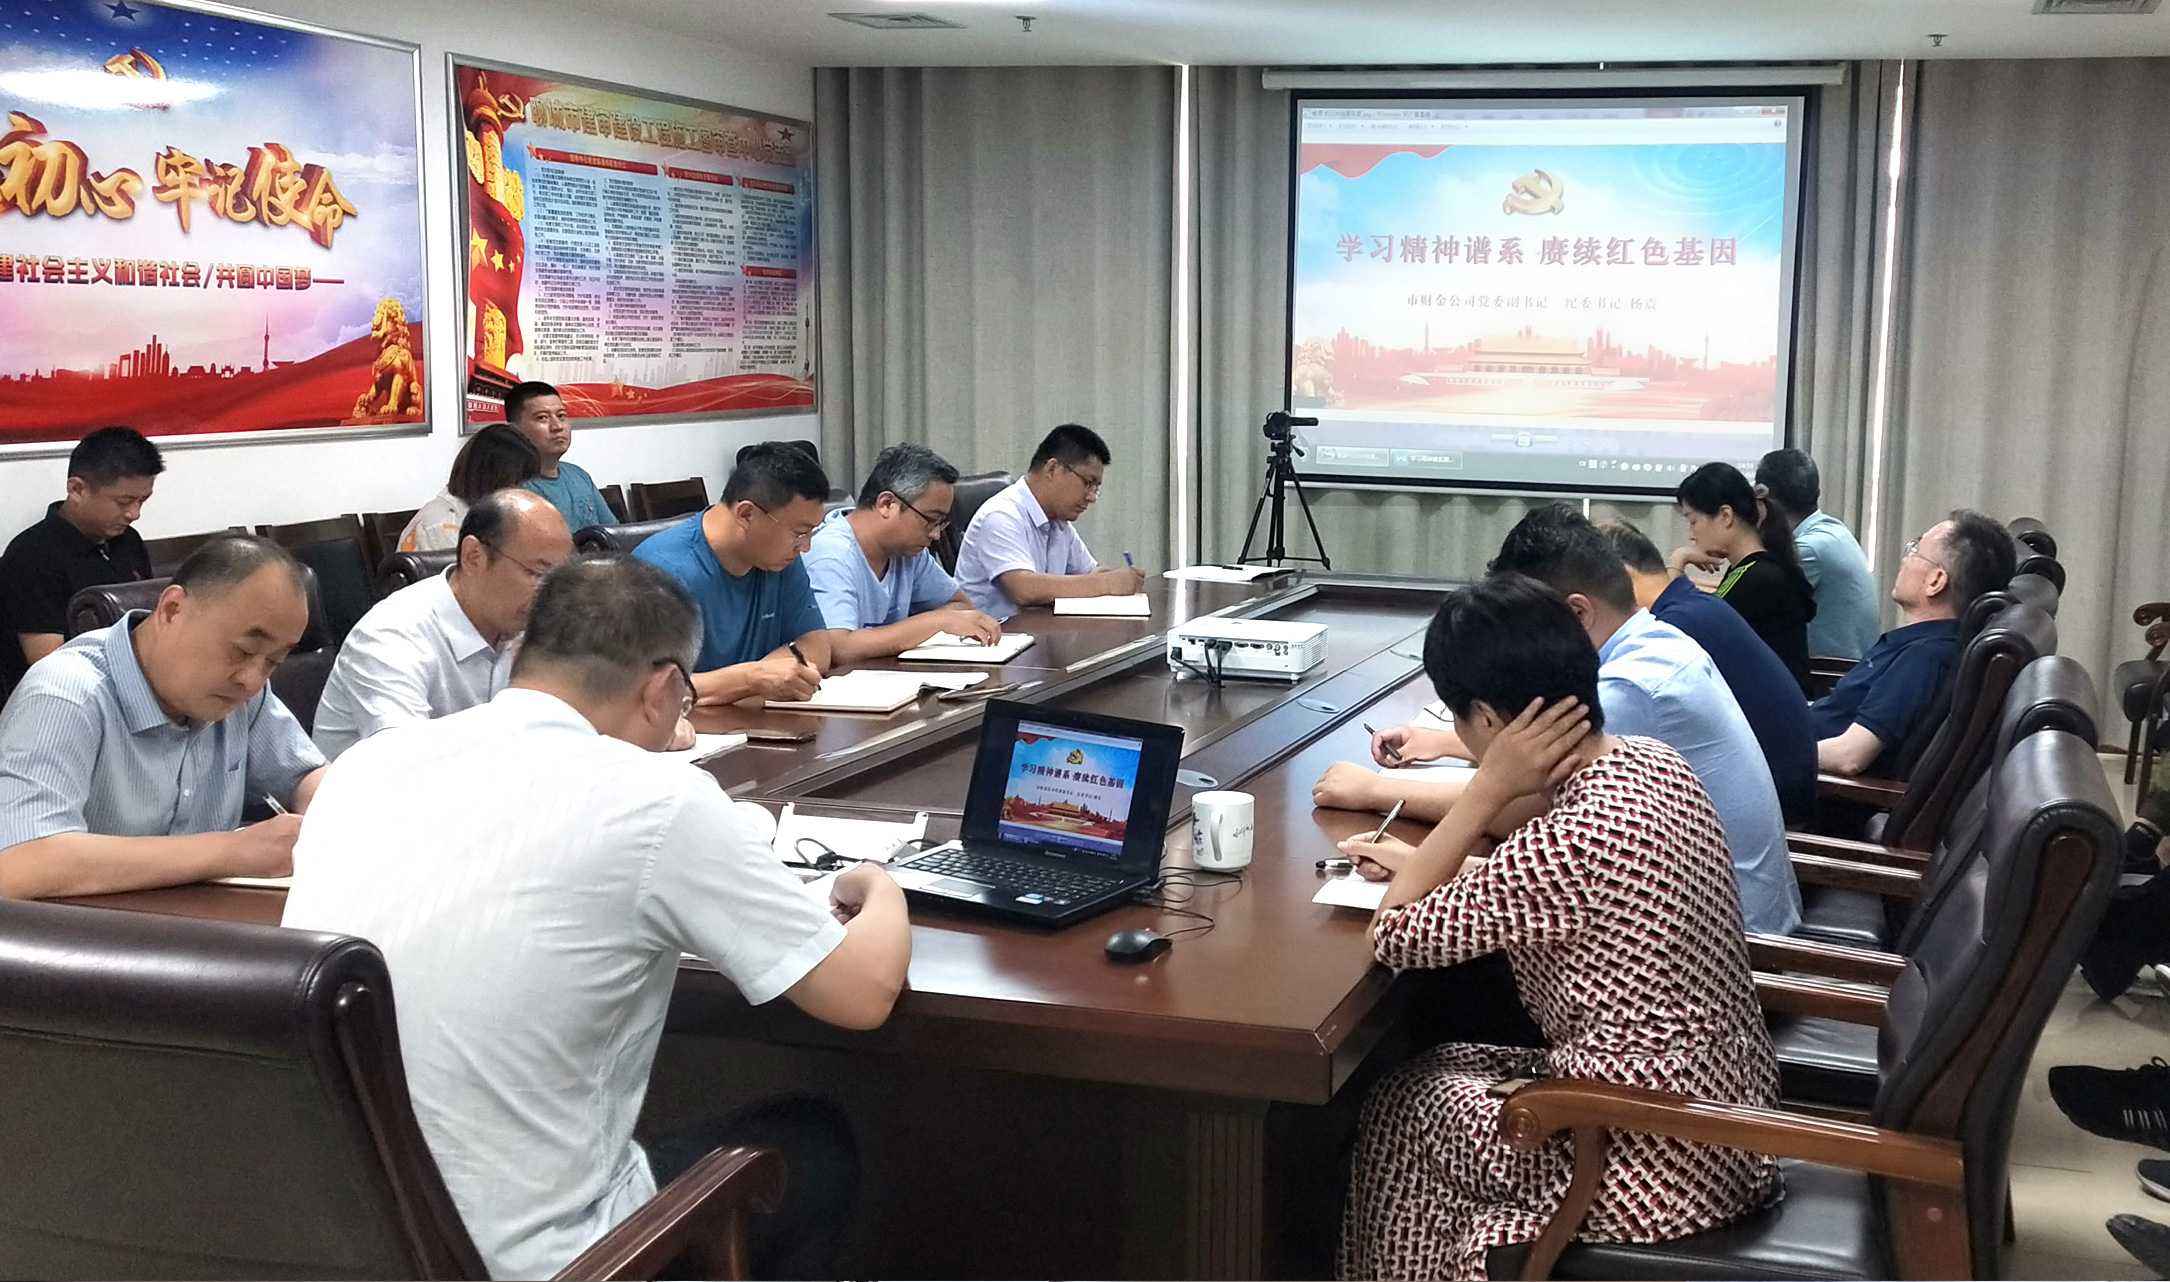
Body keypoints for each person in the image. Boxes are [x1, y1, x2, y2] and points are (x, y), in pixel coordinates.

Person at [282, 555, 911, 1280]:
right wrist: (877, 883)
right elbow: (861, 994)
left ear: (522, 655)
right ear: (665, 689)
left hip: (339, 1243)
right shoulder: (656, 798)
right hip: (547, 1263)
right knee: (817, 1144)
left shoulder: (365, 768)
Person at [1333, 574, 1781, 1280]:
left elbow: (1394, 937)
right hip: (1721, 1116)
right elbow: (1550, 888)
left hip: (1646, 1158)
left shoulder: (1569, 841)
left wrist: (1485, 790)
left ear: (1488, 720)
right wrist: (1420, 860)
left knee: (1404, 1103)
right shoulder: (1651, 764)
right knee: (1435, 1068)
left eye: (1460, 720)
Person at [1318, 504, 1801, 936]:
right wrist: (1446, 748)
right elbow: (1569, 877)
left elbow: (1516, 817)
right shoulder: (1657, 647)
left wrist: (1376, 791)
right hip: (1694, 922)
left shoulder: (1628, 690)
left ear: (1575, 612)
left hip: (1745, 941)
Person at [0, 535, 325, 900]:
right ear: (172, 610)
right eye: (243, 650)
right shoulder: (67, 695)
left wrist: (337, 809)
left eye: (273, 661)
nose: (251, 679)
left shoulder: (244, 694)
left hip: (202, 919)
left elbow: (304, 775)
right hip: (88, 930)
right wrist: (233, 851)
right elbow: (19, 861)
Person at [314, 491, 572, 759]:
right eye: (537, 573)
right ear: (474, 556)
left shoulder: (527, 624)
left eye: (559, 578)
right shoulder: (389, 636)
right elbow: (406, 760)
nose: (549, 594)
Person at [1598, 518, 1816, 821]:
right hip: (1784, 784)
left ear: (1621, 579)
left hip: (1778, 800)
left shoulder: (1669, 631)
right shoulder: (1692, 605)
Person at [1811, 509, 2014, 778]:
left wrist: (1770, 753)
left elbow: (1849, 756)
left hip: (1804, 780)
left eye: (1915, 550)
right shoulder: (1926, 643)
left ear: (1936, 581)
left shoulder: (1923, 659)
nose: (1906, 558)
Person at [633, 441, 833, 705]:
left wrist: (764, 677)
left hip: (752, 718)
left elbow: (817, 645)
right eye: (799, 533)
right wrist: (751, 679)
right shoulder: (663, 571)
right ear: (747, 514)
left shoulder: (779, 559)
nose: (805, 547)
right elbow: (644, 689)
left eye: (810, 533)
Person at [804, 442, 1004, 662]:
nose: (936, 535)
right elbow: (838, 647)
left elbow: (961, 606)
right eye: (930, 520)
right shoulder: (830, 555)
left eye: (941, 523)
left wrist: (922, 627)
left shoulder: (909, 552)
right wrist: (936, 623)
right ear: (887, 504)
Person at [0, 426, 163, 693]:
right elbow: (49, 664)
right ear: (77, 489)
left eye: (142, 501)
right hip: (70, 694)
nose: (134, 514)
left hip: (135, 681)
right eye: (124, 502)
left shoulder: (127, 541)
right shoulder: (32, 556)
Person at [955, 423, 1144, 620]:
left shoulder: (1059, 522)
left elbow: (1089, 574)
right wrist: (1107, 583)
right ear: (1053, 469)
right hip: (995, 635)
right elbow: (1024, 589)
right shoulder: (1001, 516)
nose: (1091, 497)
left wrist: (1122, 578)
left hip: (1039, 631)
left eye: (1096, 488)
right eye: (1088, 483)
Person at [1672, 461, 1817, 692]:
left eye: (1693, 522)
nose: (1692, 535)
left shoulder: (1761, 579)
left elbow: (1679, 630)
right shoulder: (1749, 569)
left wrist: (1679, 560)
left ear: (1725, 516)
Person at [1756, 447, 1881, 661]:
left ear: (1761, 495)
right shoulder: (1832, 529)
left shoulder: (1808, 549)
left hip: (1829, 675)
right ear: (1817, 492)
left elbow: (1749, 609)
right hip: (1855, 669)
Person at [396, 424, 543, 553]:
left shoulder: (489, 515)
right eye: (516, 483)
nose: (522, 493)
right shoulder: (442, 525)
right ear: (491, 478)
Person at [502, 381, 616, 532]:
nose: (557, 426)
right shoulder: (511, 489)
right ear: (514, 430)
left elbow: (614, 533)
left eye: (561, 416)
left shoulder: (578, 475)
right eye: (542, 418)